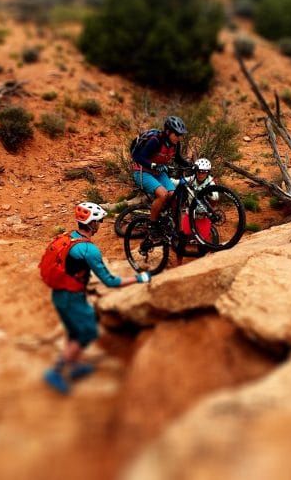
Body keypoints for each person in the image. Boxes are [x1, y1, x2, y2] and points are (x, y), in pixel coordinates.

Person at [43, 201, 151, 395]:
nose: (100, 224)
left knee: (75, 331)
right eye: (98, 221)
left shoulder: (69, 237)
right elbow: (110, 282)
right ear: (92, 223)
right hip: (71, 297)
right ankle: (56, 372)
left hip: (60, 293)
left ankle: (74, 364)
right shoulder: (89, 250)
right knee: (87, 333)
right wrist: (140, 278)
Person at [132, 115, 191, 235]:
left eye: (181, 135)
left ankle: (177, 228)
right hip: (142, 172)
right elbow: (138, 157)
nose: (179, 137)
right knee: (163, 195)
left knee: (174, 196)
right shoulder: (155, 141)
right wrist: (154, 165)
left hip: (158, 173)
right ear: (168, 132)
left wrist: (191, 165)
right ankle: (152, 224)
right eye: (177, 134)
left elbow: (178, 159)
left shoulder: (175, 144)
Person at [174, 158, 219, 265]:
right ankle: (178, 263)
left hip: (203, 218)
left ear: (208, 172)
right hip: (190, 215)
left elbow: (216, 196)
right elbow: (177, 182)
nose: (200, 174)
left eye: (204, 172)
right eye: (199, 171)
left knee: (202, 244)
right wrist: (167, 179)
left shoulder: (211, 182)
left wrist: (209, 193)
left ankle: (200, 265)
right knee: (182, 240)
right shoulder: (192, 179)